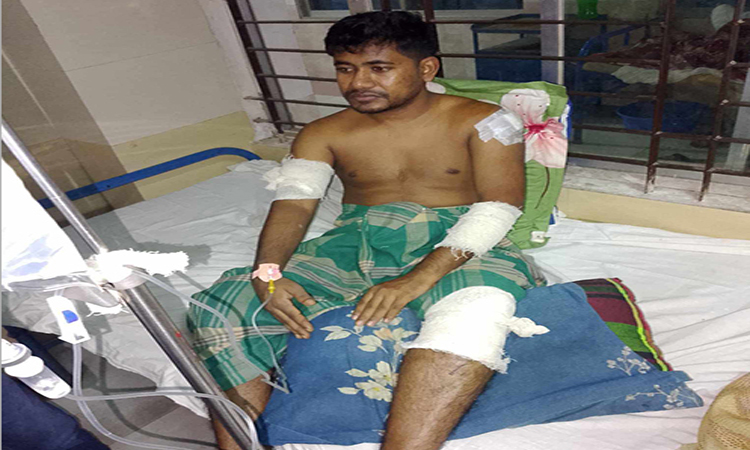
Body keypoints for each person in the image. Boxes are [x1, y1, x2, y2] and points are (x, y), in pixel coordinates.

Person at [188, 11, 546, 450]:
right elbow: (294, 204)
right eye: (345, 68)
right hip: (358, 238)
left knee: (475, 310)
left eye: (379, 68)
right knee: (224, 305)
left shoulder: (487, 121)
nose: (358, 82)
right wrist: (268, 272)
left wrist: (417, 279)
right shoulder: (323, 132)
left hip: (459, 239)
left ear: (426, 68)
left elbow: (499, 208)